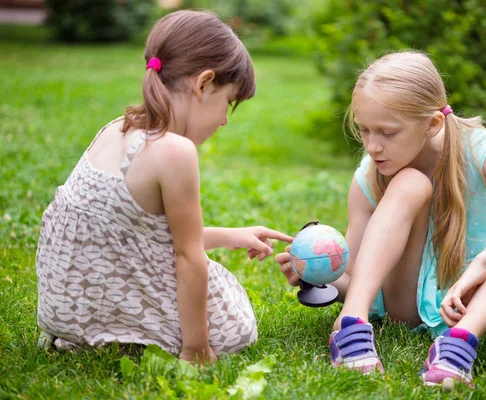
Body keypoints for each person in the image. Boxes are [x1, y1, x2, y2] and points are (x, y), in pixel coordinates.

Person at [276, 51, 486, 385]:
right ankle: (351, 325)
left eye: (387, 132)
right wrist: (318, 273)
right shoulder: (368, 177)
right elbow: (357, 273)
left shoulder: (477, 148)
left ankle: (459, 344)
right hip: (405, 305)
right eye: (364, 130)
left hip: (473, 304)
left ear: (432, 124)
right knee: (410, 183)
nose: (372, 146)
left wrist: (483, 264)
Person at [36, 10, 293, 365]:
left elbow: (137, 238)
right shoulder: (175, 152)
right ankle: (137, 335)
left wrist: (231, 235)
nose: (223, 119)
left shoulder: (117, 128)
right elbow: (187, 257)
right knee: (237, 323)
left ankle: (101, 336)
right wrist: (196, 347)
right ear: (203, 84)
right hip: (102, 299)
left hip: (65, 310)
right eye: (227, 103)